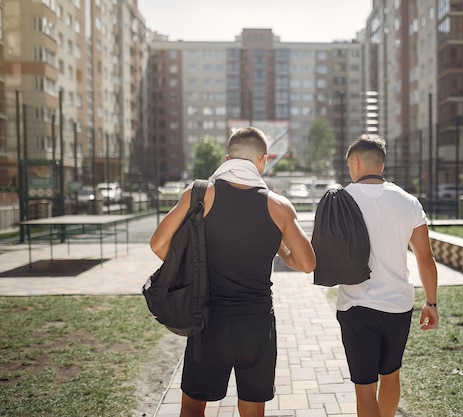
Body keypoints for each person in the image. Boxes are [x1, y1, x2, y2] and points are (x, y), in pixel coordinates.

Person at [150, 126, 316, 417]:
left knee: (192, 408)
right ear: (263, 161)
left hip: (208, 321)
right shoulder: (278, 207)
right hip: (257, 325)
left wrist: (191, 267)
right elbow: (306, 264)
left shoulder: (200, 193)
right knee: (253, 409)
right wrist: (278, 246)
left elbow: (159, 244)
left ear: (227, 158)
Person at [335, 134, 439, 417]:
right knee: (391, 375)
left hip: (356, 306)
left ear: (355, 162)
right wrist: (431, 303)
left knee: (365, 387)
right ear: (380, 166)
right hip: (398, 306)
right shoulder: (409, 202)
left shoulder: (341, 199)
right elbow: (426, 260)